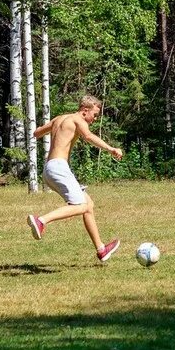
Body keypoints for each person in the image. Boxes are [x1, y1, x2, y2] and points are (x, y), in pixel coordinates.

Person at [27, 95, 123, 262]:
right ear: (85, 111)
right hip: (59, 168)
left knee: (88, 205)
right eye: (94, 114)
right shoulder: (79, 121)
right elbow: (88, 137)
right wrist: (111, 149)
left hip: (49, 169)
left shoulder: (60, 118)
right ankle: (41, 220)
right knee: (80, 206)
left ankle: (101, 249)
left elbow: (36, 133)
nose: (95, 119)